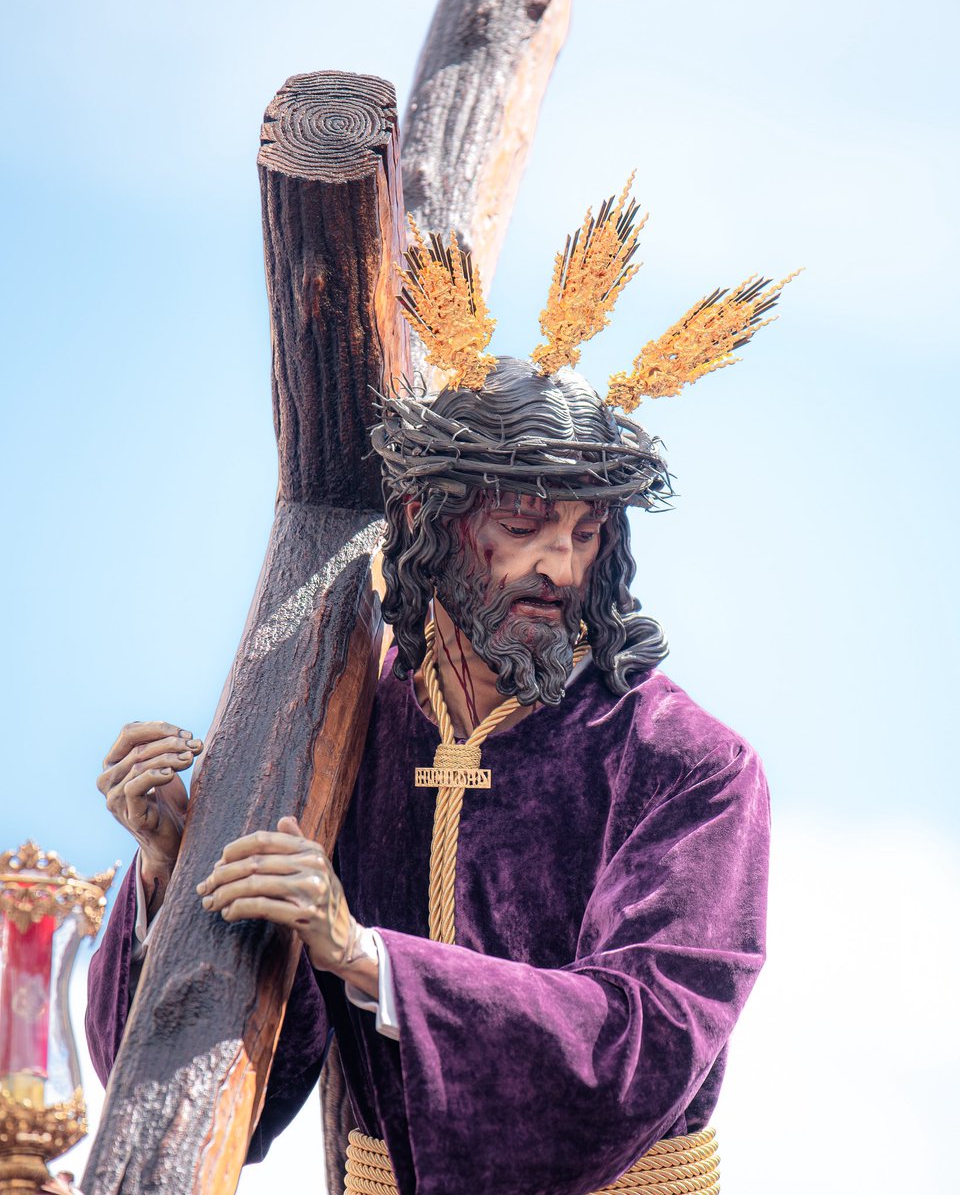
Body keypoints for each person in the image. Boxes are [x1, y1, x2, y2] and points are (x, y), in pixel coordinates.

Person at [86, 182, 788, 1195]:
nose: (559, 562)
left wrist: (368, 959)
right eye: (525, 524)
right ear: (433, 519)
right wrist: (169, 871)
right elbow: (214, 1096)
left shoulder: (688, 766)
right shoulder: (340, 736)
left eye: (585, 533)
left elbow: (645, 1043)